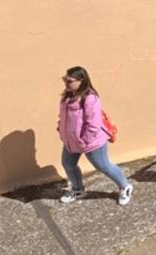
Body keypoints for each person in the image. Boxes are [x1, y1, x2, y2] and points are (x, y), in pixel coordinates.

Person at [57, 67, 133, 206]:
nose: (66, 83)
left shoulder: (90, 98)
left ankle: (125, 187)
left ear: (81, 81)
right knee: (68, 164)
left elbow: (93, 125)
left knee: (104, 166)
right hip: (71, 141)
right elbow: (63, 117)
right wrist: (60, 128)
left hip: (91, 142)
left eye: (69, 81)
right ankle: (78, 189)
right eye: (64, 80)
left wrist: (83, 142)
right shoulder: (66, 97)